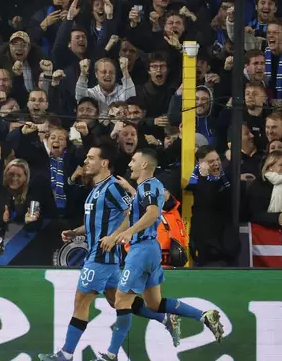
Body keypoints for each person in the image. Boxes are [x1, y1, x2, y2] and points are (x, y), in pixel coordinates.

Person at [38, 143, 179, 361]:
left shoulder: (113, 186)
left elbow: (131, 212)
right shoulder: (96, 188)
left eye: (90, 158)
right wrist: (76, 232)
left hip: (101, 256)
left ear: (104, 163)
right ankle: (164, 319)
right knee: (118, 302)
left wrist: (115, 237)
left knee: (81, 301)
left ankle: (65, 355)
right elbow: (97, 222)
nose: (85, 161)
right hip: (102, 255)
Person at [95, 149, 225, 360]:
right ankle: (203, 316)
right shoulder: (152, 186)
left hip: (140, 250)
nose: (130, 164)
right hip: (151, 250)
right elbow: (146, 207)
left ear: (144, 165)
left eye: (134, 160)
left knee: (120, 300)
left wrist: (128, 232)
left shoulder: (147, 186)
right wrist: (130, 191)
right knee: (154, 304)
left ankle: (111, 354)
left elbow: (153, 212)